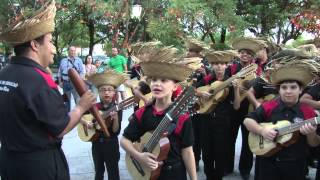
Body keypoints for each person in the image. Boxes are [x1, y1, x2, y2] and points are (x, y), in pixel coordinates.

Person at [0, 1, 96, 179]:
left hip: (9, 162)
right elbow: (60, 127)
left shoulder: (4, 73)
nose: (53, 49)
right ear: (35, 45)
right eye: (50, 42)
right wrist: (81, 107)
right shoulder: (39, 80)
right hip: (38, 166)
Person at [120, 47, 197, 180]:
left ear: (175, 87)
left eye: (163, 80)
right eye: (154, 80)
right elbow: (124, 140)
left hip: (174, 173)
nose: (157, 84)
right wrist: (139, 156)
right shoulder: (142, 113)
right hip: (147, 173)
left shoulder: (183, 117)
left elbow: (188, 152)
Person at [243, 57, 320, 180]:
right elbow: (247, 121)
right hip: (267, 162)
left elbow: (314, 142)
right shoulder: (269, 106)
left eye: (293, 87)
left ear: (300, 90)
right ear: (279, 90)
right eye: (284, 88)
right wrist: (262, 131)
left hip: (295, 165)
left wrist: (311, 134)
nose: (288, 91)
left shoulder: (308, 112)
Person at [225, 37, 267, 179]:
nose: (245, 55)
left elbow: (260, 90)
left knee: (247, 140)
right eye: (242, 52)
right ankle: (228, 166)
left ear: (252, 57)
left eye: (248, 53)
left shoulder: (258, 71)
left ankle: (245, 169)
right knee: (229, 138)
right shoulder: (231, 68)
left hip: (249, 109)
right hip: (231, 108)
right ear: (239, 54)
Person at [195, 50, 241, 180]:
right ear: (212, 65)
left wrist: (237, 89)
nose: (219, 66)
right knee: (207, 154)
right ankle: (209, 176)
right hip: (205, 119)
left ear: (227, 65)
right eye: (216, 64)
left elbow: (237, 106)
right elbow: (192, 90)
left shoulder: (231, 82)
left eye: (222, 64)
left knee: (221, 154)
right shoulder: (207, 79)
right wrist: (201, 94)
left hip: (223, 122)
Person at [81, 70, 126, 180]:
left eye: (109, 90)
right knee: (98, 171)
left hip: (110, 143)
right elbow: (78, 116)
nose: (106, 93)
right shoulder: (94, 107)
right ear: (99, 92)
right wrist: (86, 122)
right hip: (96, 143)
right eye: (103, 90)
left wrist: (115, 119)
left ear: (114, 92)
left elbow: (116, 131)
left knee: (113, 171)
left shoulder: (117, 108)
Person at [58, 45, 85, 111]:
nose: (73, 52)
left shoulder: (79, 60)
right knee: (67, 101)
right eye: (71, 50)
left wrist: (80, 82)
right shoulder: (63, 60)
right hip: (66, 83)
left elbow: (82, 72)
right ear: (68, 51)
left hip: (76, 84)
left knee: (77, 100)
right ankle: (67, 117)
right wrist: (60, 82)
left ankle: (79, 117)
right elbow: (59, 72)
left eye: (74, 51)